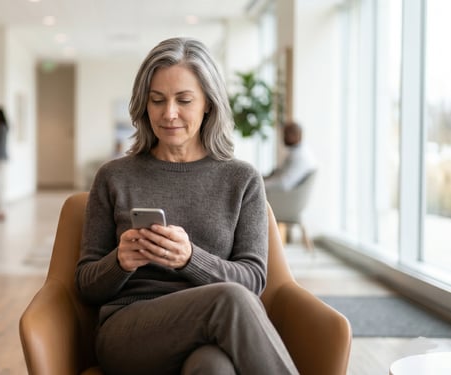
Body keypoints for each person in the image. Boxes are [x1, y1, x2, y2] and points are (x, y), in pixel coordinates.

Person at [75, 37, 298, 375]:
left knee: (214, 367)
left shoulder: (242, 179)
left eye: (184, 100)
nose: (169, 114)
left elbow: (253, 281)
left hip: (209, 334)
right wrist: (119, 262)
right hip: (129, 332)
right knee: (230, 301)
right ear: (143, 104)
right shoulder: (114, 176)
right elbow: (86, 285)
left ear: (208, 103)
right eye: (157, 100)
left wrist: (190, 259)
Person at [264, 120, 317, 191]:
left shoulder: (300, 156)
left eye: (286, 134)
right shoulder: (298, 152)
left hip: (282, 196)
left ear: (295, 135)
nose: (283, 138)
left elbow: (283, 183)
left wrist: (262, 184)